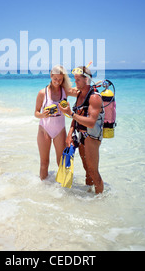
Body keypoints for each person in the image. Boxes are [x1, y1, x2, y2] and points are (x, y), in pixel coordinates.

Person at [59, 66, 104, 194]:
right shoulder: (79, 94)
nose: (75, 82)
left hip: (92, 137)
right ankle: (89, 196)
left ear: (87, 80)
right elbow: (78, 113)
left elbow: (91, 122)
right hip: (81, 134)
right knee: (86, 169)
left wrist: (70, 113)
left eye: (78, 79)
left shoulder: (94, 98)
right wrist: (69, 134)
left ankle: (100, 202)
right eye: (75, 79)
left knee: (93, 171)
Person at [35, 65, 77, 180]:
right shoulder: (43, 93)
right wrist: (42, 115)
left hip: (59, 130)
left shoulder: (65, 91)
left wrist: (85, 81)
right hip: (44, 129)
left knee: (61, 162)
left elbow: (81, 93)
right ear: (51, 76)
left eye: (60, 79)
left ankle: (63, 191)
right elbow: (36, 113)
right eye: (55, 79)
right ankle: (43, 191)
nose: (57, 82)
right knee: (44, 163)